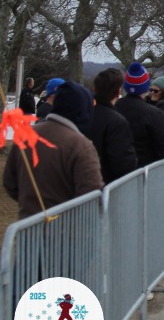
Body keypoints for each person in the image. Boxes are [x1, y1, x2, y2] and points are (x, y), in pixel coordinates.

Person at [3, 81, 104, 219]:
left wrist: (32, 204)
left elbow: (10, 183)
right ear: (82, 110)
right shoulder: (81, 146)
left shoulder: (25, 135)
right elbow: (92, 196)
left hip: (28, 225)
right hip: (68, 227)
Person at [115, 62, 164, 167]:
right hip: (145, 169)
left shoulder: (114, 108)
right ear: (145, 87)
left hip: (115, 170)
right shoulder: (154, 114)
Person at [87, 68, 138, 183]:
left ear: (95, 89)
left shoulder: (84, 115)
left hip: (84, 180)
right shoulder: (117, 122)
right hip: (107, 183)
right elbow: (123, 163)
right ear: (118, 91)